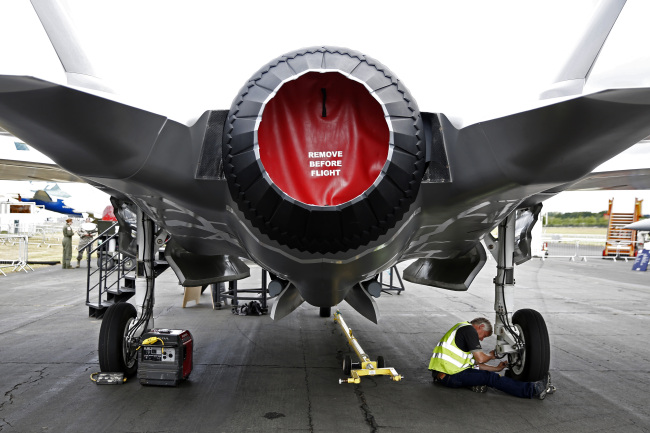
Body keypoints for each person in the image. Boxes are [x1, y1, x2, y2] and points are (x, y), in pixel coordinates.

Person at [429, 317, 555, 399]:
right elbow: (480, 359)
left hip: (446, 374)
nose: (482, 339)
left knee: (487, 374)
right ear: (481, 327)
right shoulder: (469, 330)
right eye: (484, 336)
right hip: (450, 377)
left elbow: (474, 365)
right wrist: (491, 355)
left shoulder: (461, 329)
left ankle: (473, 383)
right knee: (490, 378)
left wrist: (496, 368)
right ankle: (533, 390)